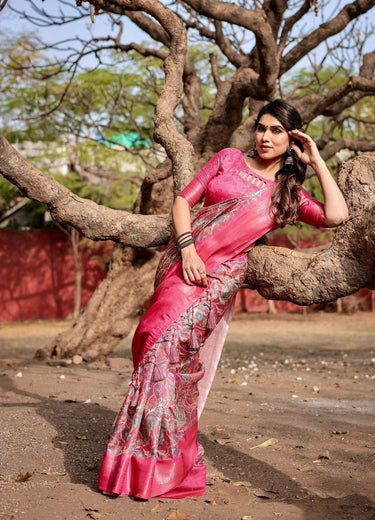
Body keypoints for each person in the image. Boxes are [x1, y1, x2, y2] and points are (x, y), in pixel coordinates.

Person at [97, 99, 349, 499]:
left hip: (216, 281)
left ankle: (162, 468)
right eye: (261, 128)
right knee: (149, 342)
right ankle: (136, 462)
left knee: (168, 356)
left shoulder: (288, 194)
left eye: (276, 131)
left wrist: (317, 161)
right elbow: (184, 201)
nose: (265, 137)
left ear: (292, 139)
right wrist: (188, 248)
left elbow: (337, 216)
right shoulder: (228, 158)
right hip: (184, 263)